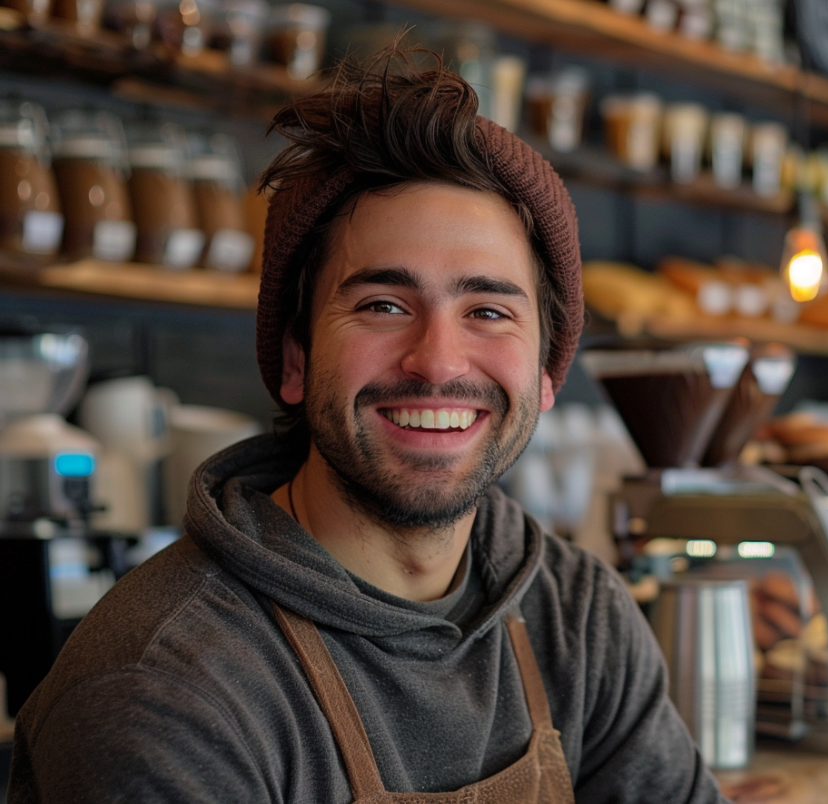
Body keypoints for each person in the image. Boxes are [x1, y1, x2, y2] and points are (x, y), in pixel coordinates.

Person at [7, 51, 727, 804]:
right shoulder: (164, 687)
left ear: (546, 373)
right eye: (383, 305)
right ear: (294, 359)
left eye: (488, 311)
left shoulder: (577, 618)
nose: (437, 361)